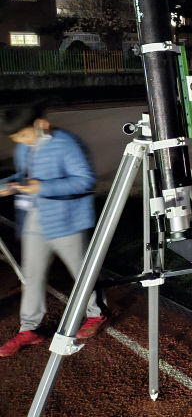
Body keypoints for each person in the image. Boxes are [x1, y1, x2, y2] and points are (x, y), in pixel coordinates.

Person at [0, 106, 107, 358]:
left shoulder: (66, 144)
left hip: (67, 221)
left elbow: (85, 180)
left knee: (82, 272)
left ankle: (97, 314)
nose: (21, 142)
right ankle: (29, 329)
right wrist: (8, 184)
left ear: (40, 124)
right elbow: (25, 175)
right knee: (32, 276)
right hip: (34, 221)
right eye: (16, 139)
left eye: (23, 135)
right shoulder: (24, 147)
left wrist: (42, 187)